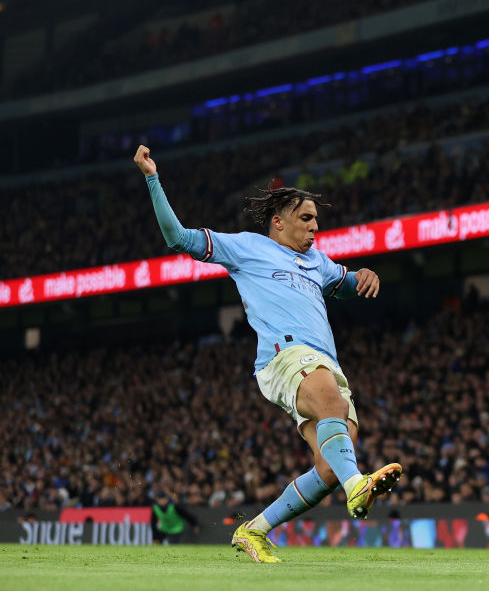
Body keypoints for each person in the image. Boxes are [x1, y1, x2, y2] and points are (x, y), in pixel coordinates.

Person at [134, 144, 401, 563]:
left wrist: (363, 275)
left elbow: (347, 282)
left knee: (334, 460)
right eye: (306, 219)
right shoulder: (247, 248)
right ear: (278, 222)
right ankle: (358, 489)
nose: (316, 227)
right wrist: (152, 177)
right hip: (283, 357)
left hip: (323, 361)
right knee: (331, 405)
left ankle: (254, 529)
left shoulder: (318, 262)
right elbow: (178, 237)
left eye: (317, 220)